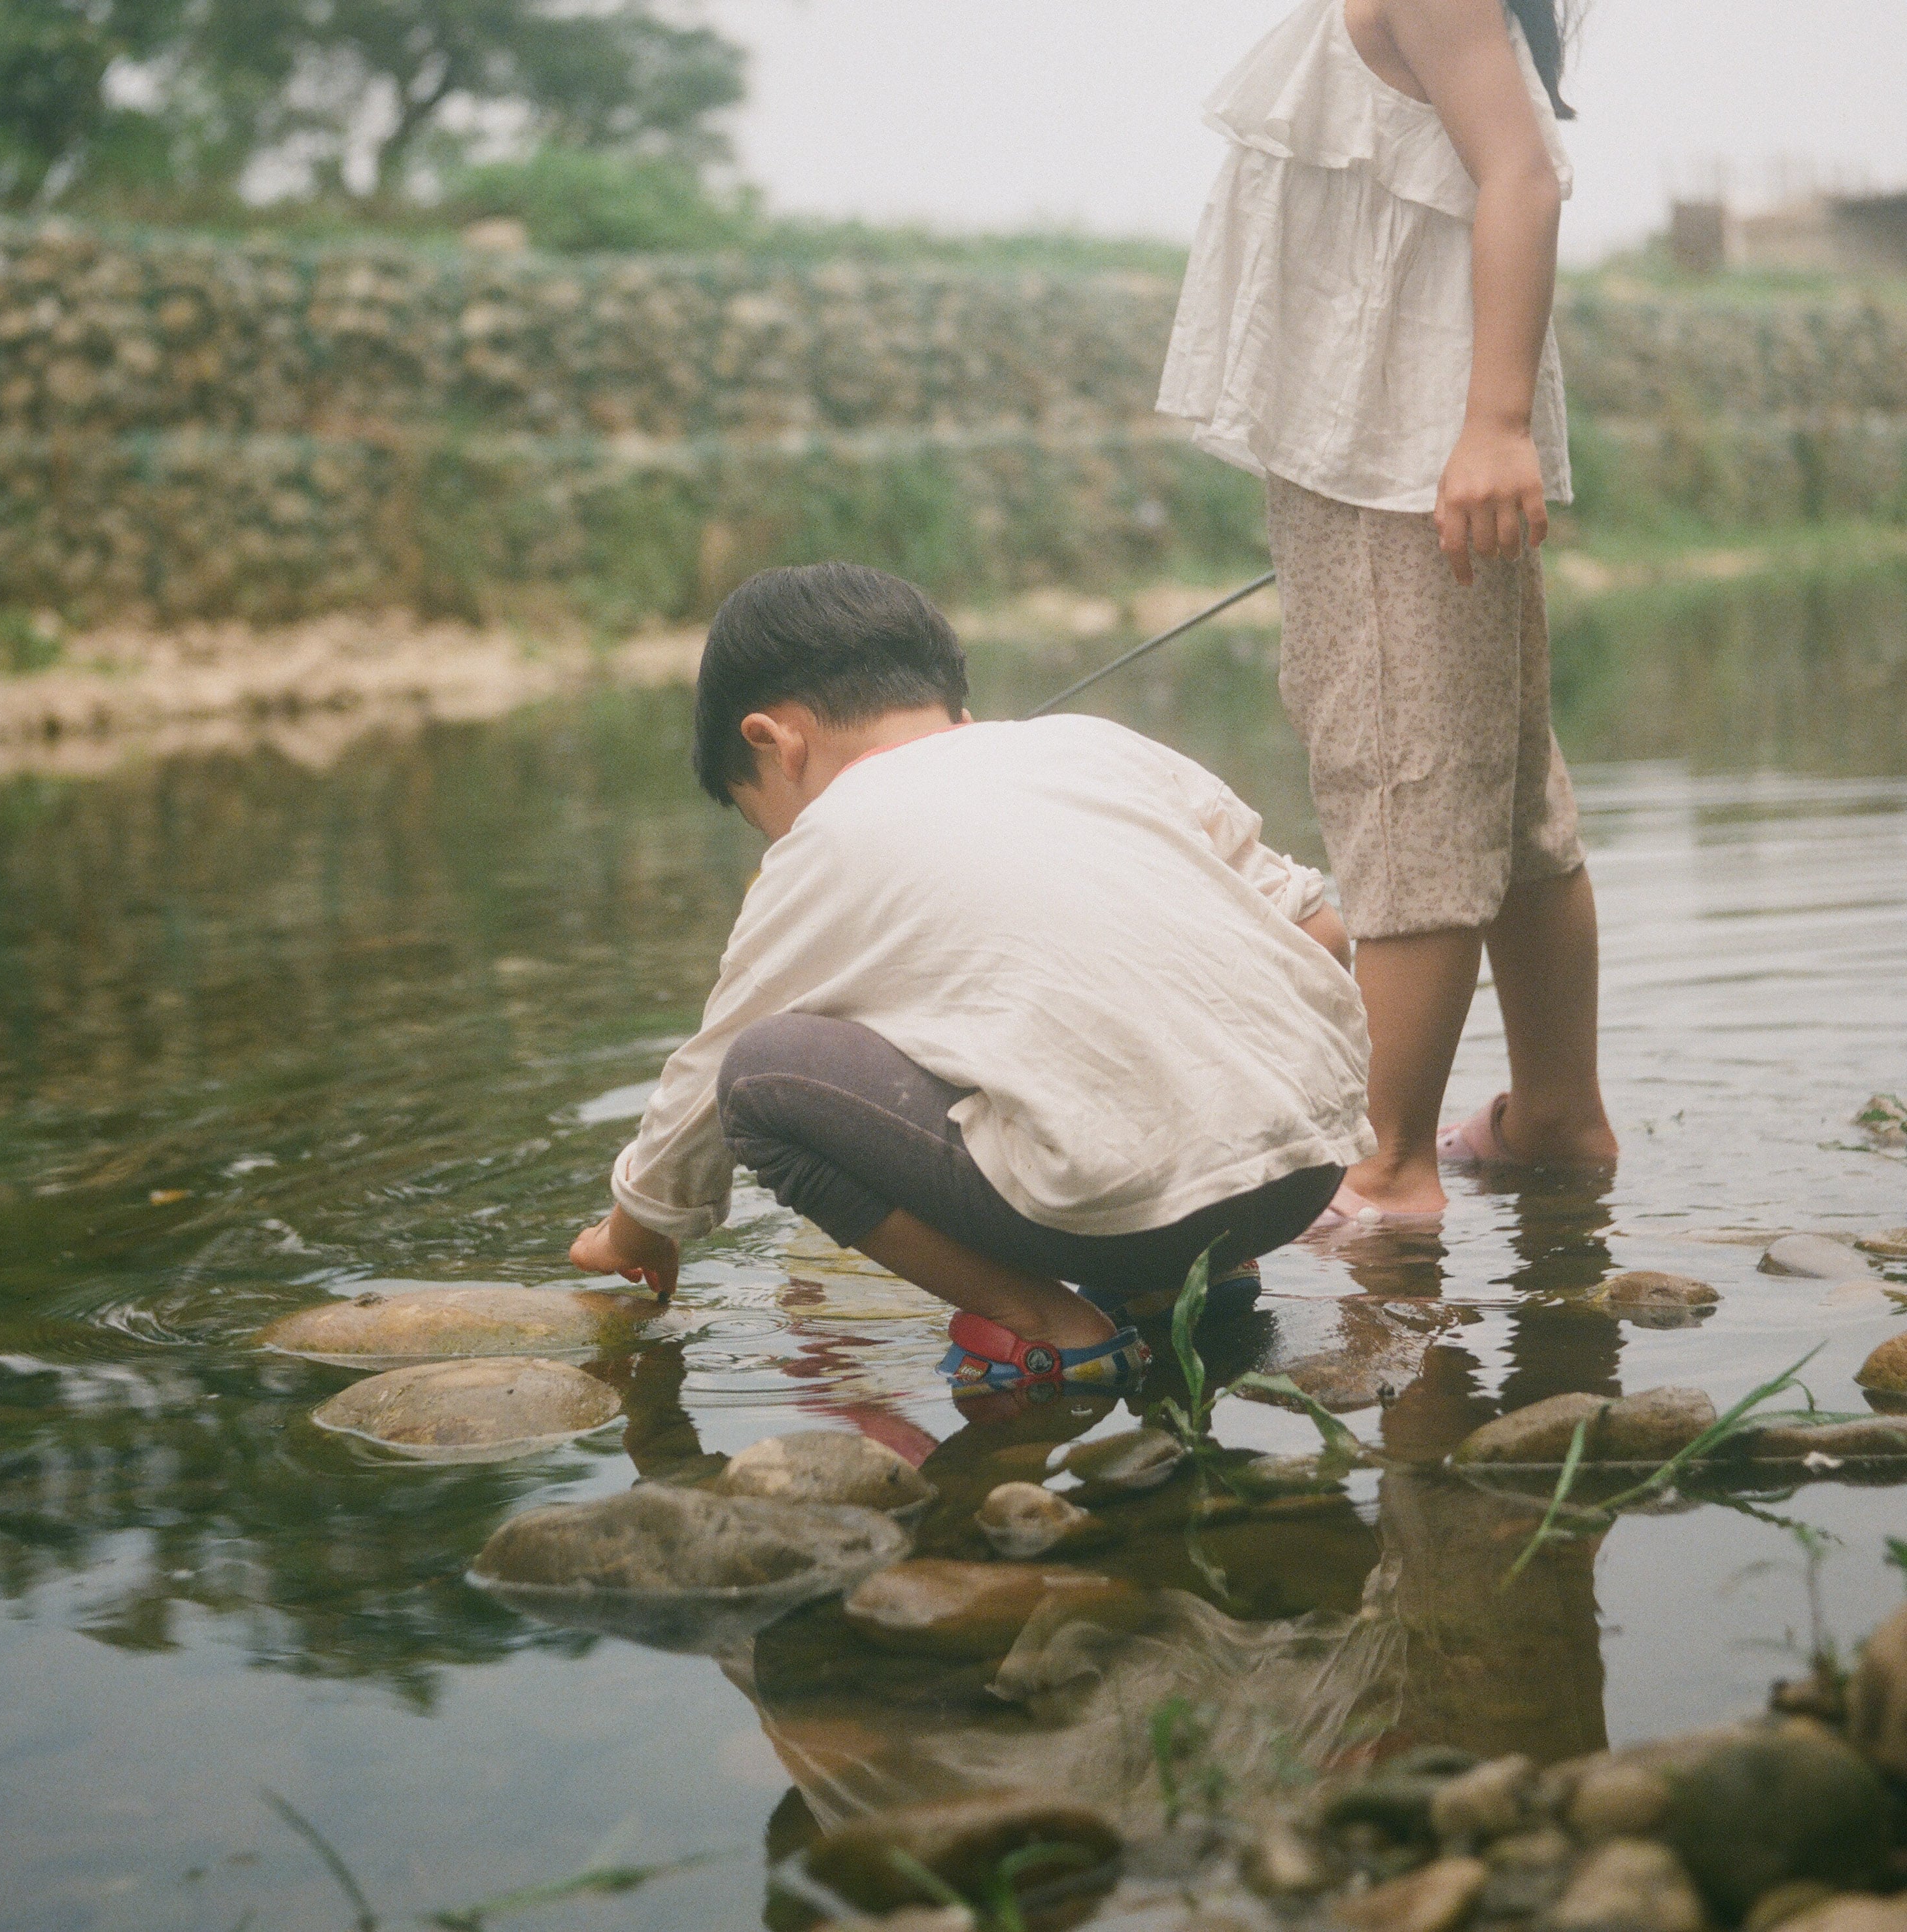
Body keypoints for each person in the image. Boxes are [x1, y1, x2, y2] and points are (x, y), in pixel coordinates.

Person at [569, 562, 1375, 1396]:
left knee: (761, 1078)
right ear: (954, 696)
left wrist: (638, 1231)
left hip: (1124, 1220)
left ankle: (1044, 1325)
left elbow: (711, 1078)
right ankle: (1184, 1280)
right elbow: (1320, 930)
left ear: (776, 741)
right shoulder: (1099, 745)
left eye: (762, 815)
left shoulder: (825, 843)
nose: (779, 838)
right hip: (1305, 1176)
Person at [1158, 0, 1617, 1225]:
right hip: (1383, 443)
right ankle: (1557, 1114)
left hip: (1400, 454)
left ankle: (1387, 1164)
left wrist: (1495, 424)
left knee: (1404, 782)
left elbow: (1521, 175)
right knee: (1503, 794)